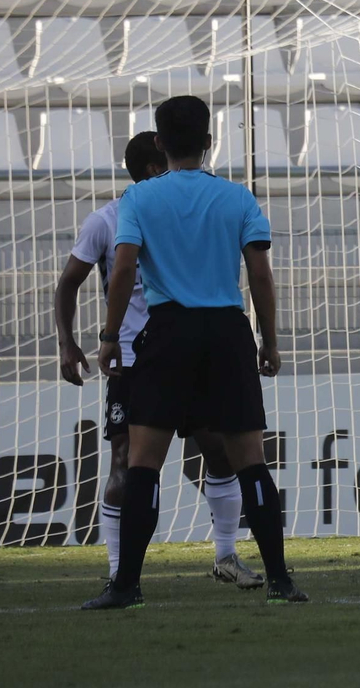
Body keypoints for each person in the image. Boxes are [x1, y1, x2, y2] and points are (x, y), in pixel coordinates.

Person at [81, 95, 305, 609]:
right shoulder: (237, 198)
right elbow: (261, 276)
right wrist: (268, 341)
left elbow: (122, 270)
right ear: (209, 142)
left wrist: (111, 336)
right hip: (227, 332)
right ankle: (280, 580)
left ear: (160, 142)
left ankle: (126, 585)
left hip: (168, 331)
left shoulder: (139, 200)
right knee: (250, 461)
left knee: (143, 464)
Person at [55, 133, 263, 590]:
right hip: (133, 362)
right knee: (126, 464)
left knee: (220, 454)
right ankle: (118, 572)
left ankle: (226, 555)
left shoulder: (181, 213)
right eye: (166, 161)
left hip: (190, 353)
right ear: (154, 169)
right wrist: (68, 342)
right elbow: (69, 281)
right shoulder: (108, 221)